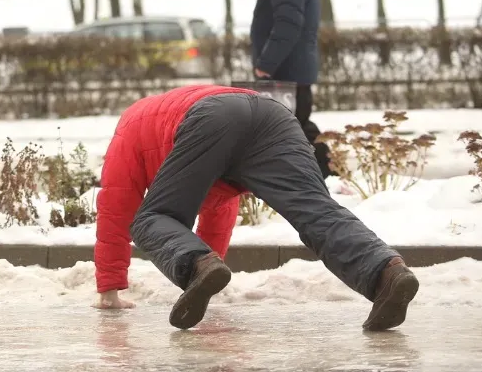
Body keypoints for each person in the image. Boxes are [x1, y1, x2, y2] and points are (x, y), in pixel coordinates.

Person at [104, 85, 420, 332]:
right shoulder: (162, 116)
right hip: (274, 116)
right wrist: (205, 273)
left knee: (149, 219)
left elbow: (116, 208)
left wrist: (109, 287)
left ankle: (198, 265)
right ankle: (387, 273)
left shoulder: (130, 126)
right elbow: (220, 209)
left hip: (211, 117)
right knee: (316, 212)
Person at [93, 85, 252, 310]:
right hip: (178, 122)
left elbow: (116, 212)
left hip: (198, 118)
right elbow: (116, 209)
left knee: (221, 198)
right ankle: (204, 271)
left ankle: (205, 271)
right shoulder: (132, 134)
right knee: (220, 197)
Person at [248, 0, 332, 177]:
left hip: (284, 70)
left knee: (288, 126)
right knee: (295, 125)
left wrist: (266, 63)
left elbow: (287, 24)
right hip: (293, 69)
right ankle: (328, 171)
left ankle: (327, 173)